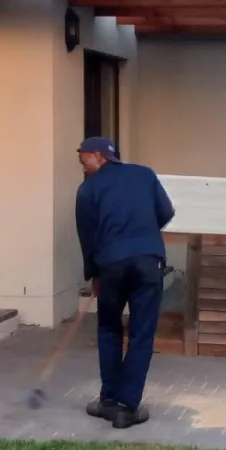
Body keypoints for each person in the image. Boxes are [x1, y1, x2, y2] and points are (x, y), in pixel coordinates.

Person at [74, 136, 175, 429]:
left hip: (111, 265)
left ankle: (108, 400)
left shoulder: (88, 189)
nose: (82, 166)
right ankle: (127, 407)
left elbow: (87, 237)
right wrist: (141, 231)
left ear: (98, 156)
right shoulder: (145, 175)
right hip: (148, 262)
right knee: (142, 333)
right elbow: (166, 212)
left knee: (109, 328)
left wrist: (94, 274)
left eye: (83, 159)